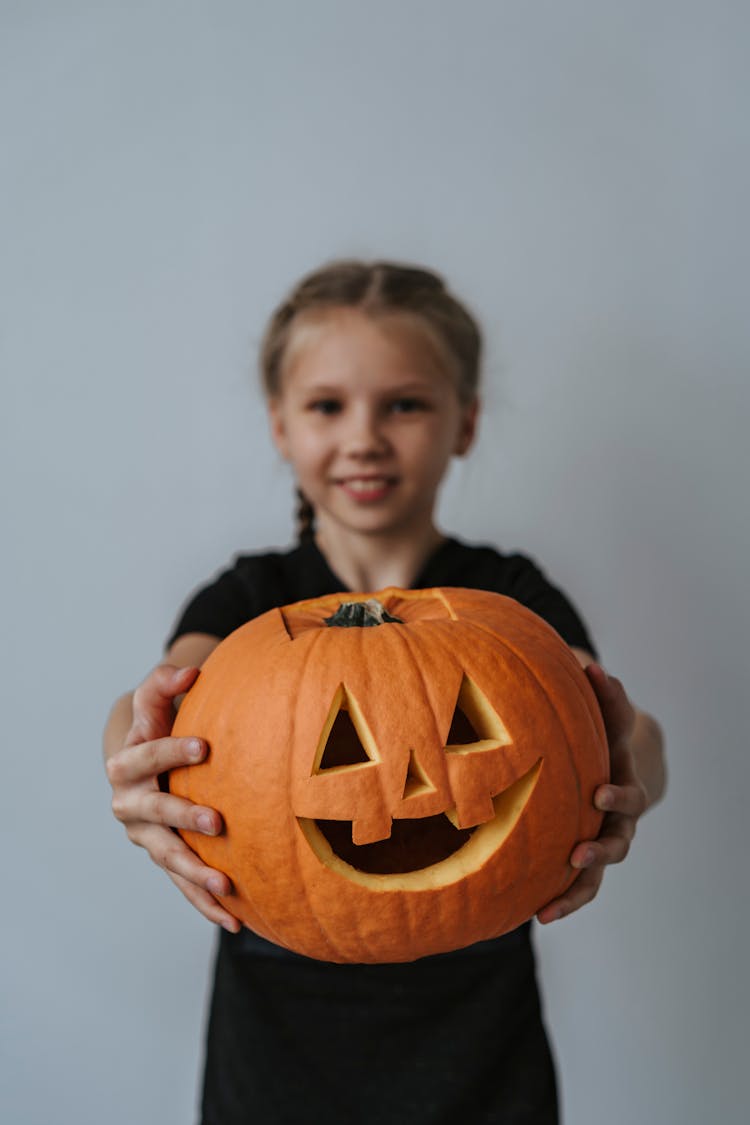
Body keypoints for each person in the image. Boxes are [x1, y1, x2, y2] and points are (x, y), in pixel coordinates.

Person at [103, 259, 665, 1124]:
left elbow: (619, 726)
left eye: (404, 403)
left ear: (465, 423)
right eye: (328, 406)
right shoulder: (248, 599)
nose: (364, 435)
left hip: (481, 1054)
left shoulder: (510, 598)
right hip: (277, 1062)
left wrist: (631, 769)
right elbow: (160, 698)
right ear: (281, 427)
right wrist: (129, 761)